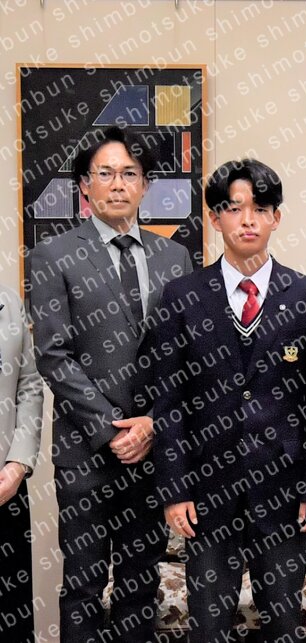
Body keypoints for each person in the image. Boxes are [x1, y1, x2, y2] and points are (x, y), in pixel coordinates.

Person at [152, 158, 306, 643]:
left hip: (283, 491)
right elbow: (169, 402)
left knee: (283, 622)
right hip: (206, 494)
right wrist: (175, 489)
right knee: (208, 626)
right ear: (216, 219)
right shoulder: (182, 296)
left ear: (277, 217)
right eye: (234, 209)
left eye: (260, 209)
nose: (248, 220)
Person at [30, 125, 193, 643]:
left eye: (129, 174)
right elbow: (53, 355)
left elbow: (183, 356)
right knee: (82, 585)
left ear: (145, 185)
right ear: (85, 185)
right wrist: (111, 429)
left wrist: (151, 424)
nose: (118, 184)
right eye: (106, 173)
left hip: (153, 448)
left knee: (139, 584)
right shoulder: (53, 255)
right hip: (86, 452)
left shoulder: (174, 258)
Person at [0, 286, 43, 642]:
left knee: (10, 620)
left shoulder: (8, 301)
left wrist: (17, 464)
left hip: (6, 487)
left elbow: (28, 384)